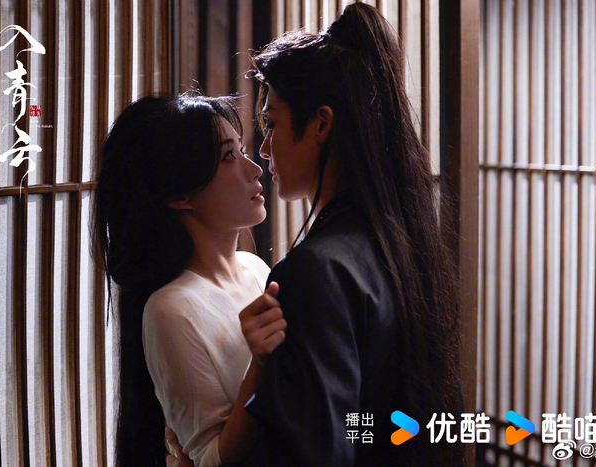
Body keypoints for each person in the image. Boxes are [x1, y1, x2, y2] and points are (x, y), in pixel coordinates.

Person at [239, 3, 466, 466]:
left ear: (321, 124)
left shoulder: (313, 272)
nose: (263, 148)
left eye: (271, 123)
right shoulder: (401, 243)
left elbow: (312, 451)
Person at [93, 93, 287, 467]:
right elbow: (208, 458)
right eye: (229, 157)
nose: (254, 169)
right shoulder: (171, 308)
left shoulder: (255, 269)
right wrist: (259, 366)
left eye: (243, 151)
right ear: (180, 194)